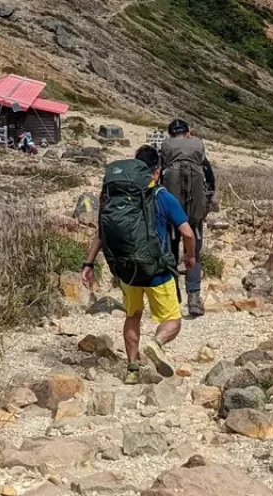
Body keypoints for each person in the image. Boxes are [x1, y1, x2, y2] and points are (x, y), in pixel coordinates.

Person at [81, 145, 197, 384]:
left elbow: (102, 233)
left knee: (132, 316)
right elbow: (187, 233)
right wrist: (191, 256)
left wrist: (88, 263)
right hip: (156, 271)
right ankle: (156, 343)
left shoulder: (117, 194)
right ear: (157, 171)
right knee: (173, 320)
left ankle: (132, 369)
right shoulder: (162, 195)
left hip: (128, 271)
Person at [159, 118, 213, 317]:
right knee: (194, 255)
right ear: (188, 132)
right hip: (195, 215)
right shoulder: (198, 151)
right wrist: (205, 205)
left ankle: (173, 296)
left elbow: (156, 176)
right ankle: (194, 299)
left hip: (172, 215)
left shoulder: (165, 151)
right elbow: (210, 178)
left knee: (171, 253)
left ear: (170, 134)